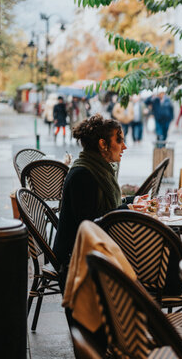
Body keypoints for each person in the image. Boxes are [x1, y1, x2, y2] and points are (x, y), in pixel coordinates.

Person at [53, 114, 128, 280]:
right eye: (119, 141)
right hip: (76, 259)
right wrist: (127, 208)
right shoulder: (83, 175)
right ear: (103, 144)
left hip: (94, 249)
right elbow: (91, 224)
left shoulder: (98, 169)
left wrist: (134, 201)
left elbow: (102, 212)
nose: (124, 147)